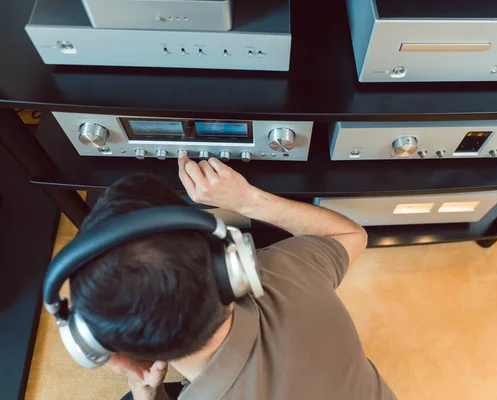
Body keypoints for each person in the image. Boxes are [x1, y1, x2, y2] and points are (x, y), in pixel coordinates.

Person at [70, 153, 396, 400]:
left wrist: (145, 395)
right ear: (229, 263)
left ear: (110, 353)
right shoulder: (288, 271)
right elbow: (351, 234)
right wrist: (246, 199)